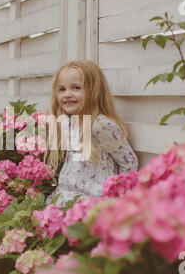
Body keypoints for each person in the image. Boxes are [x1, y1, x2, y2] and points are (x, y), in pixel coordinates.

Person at [44, 60, 139, 205]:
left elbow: (129, 162)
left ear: (94, 91)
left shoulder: (101, 125)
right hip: (64, 196)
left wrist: (118, 197)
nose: (67, 94)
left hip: (91, 200)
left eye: (76, 88)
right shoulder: (70, 122)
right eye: (62, 89)